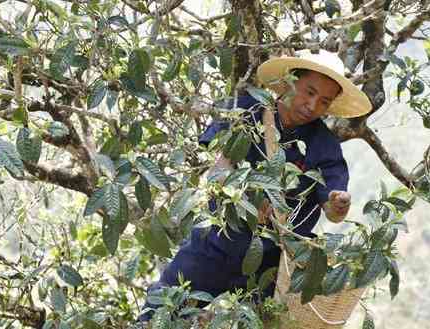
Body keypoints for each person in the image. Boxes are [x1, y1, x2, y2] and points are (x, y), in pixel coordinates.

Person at [138, 50, 372, 322]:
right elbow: (217, 171)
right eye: (309, 92)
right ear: (288, 82)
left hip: (268, 271)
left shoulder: (324, 146)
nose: (312, 105)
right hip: (214, 246)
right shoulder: (245, 109)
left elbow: (333, 211)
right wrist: (248, 196)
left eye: (323, 102)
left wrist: (337, 203)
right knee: (160, 312)